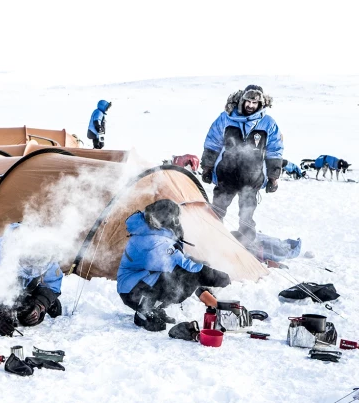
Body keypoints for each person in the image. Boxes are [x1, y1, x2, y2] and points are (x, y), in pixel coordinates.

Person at [117, 199, 231, 332]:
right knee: (181, 276)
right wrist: (214, 276)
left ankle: (154, 307)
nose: (177, 221)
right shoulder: (152, 240)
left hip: (142, 281)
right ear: (166, 219)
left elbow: (180, 258)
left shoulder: (154, 232)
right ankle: (144, 311)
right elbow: (177, 265)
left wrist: (201, 266)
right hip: (131, 290)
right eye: (175, 218)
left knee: (187, 273)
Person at [201, 85, 284, 240]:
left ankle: (246, 243)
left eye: (255, 102)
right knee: (217, 209)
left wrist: (274, 177)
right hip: (226, 174)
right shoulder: (226, 118)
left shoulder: (268, 123)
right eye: (248, 101)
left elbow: (275, 150)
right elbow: (212, 143)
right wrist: (207, 167)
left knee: (247, 214)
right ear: (242, 100)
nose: (251, 105)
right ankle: (211, 238)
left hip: (252, 177)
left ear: (261, 103)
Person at [0, 223, 64, 336]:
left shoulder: (48, 252)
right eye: (30, 264)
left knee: (29, 315)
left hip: (27, 287)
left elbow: (52, 284)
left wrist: (40, 304)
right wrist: (0, 314)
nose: (33, 270)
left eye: (38, 266)